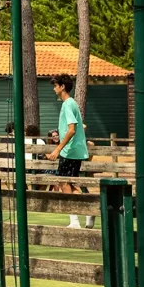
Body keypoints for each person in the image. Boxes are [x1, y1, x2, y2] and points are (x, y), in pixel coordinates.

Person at [46, 74, 93, 229]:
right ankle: (90, 209)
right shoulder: (72, 103)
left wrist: (58, 149)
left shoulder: (67, 104)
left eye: (55, 85)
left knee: (63, 182)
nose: (54, 88)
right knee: (67, 182)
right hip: (73, 151)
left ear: (62, 87)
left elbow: (72, 129)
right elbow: (78, 126)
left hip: (70, 151)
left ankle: (76, 220)